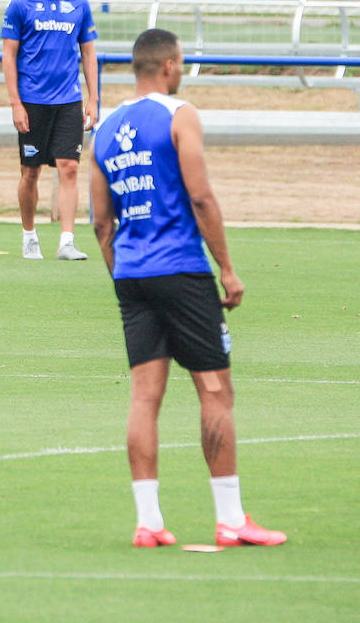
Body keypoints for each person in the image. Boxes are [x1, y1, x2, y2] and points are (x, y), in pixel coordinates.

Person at [90, 27, 286, 549]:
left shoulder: (105, 128)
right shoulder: (180, 114)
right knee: (215, 391)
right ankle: (230, 520)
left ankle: (148, 522)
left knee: (145, 397)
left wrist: (123, 274)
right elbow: (200, 197)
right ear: (170, 66)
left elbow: (100, 224)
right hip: (181, 269)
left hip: (131, 274)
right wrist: (227, 268)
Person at [2, 0, 100, 261]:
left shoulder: (80, 6)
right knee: (30, 172)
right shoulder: (21, 5)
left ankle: (67, 241)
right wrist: (16, 102)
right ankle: (29, 235)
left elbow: (88, 52)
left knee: (69, 167)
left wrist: (93, 98)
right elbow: (9, 55)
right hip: (32, 102)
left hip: (68, 101)